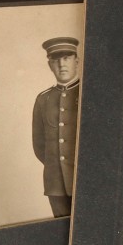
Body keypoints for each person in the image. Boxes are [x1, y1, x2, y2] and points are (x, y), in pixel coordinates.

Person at [32, 36, 81, 218]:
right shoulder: (43, 99)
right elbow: (39, 145)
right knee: (61, 232)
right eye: (56, 60)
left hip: (85, 181)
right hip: (55, 183)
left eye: (67, 58)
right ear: (50, 65)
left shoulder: (89, 93)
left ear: (76, 61)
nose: (62, 64)